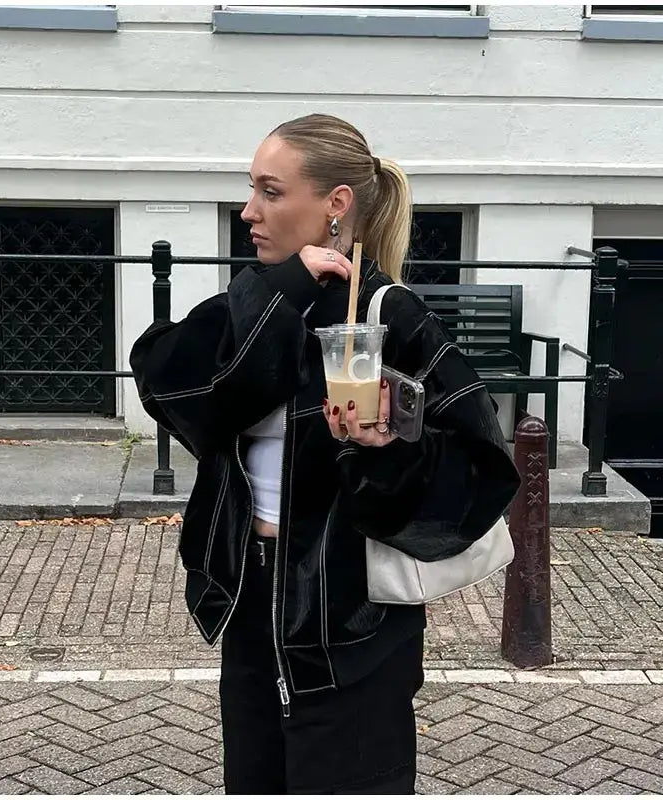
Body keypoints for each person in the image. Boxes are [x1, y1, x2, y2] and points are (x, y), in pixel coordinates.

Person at [130, 113, 520, 794]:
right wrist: (285, 295)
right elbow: (170, 385)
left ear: (334, 204)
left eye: (272, 193)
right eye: (251, 190)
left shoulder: (389, 317)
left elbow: (479, 473)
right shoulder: (254, 298)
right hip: (249, 600)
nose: (249, 211)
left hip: (352, 623)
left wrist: (389, 451)